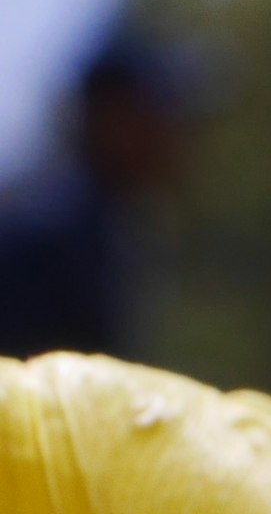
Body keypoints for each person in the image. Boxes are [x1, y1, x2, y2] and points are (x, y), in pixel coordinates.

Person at [0, 22, 195, 359]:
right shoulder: (53, 233)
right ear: (113, 121)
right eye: (160, 114)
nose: (176, 133)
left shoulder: (102, 225)